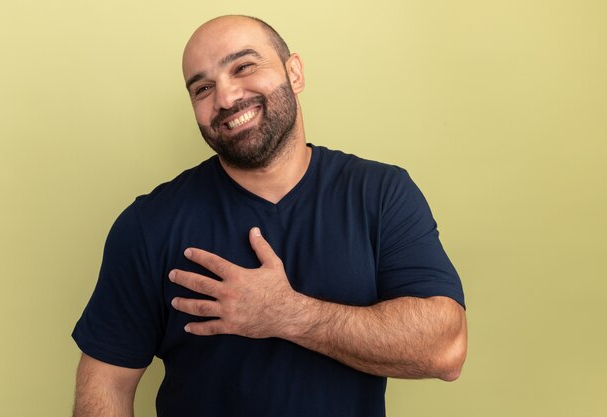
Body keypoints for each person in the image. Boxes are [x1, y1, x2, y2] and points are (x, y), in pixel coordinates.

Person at [72, 15, 467, 417]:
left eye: (243, 67)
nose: (225, 98)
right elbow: (107, 383)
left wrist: (286, 314)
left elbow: (444, 349)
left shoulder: (380, 194)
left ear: (294, 72)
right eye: (202, 88)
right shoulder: (148, 224)